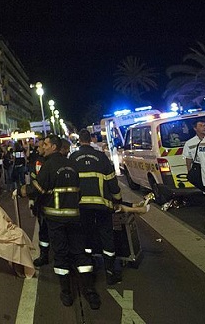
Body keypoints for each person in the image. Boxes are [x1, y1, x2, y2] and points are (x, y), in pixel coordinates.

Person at [22, 135, 100, 309]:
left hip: (56, 219)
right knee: (80, 254)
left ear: (54, 147)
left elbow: (38, 189)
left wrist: (22, 191)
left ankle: (66, 292)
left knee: (61, 255)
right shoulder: (71, 164)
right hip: (74, 216)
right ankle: (90, 292)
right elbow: (78, 190)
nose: (44, 147)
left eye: (47, 144)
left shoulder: (49, 165)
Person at [69, 128, 123, 286]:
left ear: (79, 139)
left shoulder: (73, 158)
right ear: (91, 139)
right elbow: (113, 183)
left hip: (82, 206)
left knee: (86, 235)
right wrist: (118, 200)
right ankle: (110, 272)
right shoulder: (101, 157)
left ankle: (89, 269)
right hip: (102, 205)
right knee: (106, 236)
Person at [28, 138, 50, 267]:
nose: (38, 149)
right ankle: (44, 254)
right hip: (41, 201)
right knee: (43, 230)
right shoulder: (37, 161)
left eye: (41, 146)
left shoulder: (48, 161)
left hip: (49, 201)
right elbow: (33, 180)